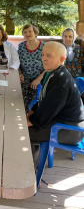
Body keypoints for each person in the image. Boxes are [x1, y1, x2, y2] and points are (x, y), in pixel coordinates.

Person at [27, 41, 84, 169]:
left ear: (62, 59)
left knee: (24, 132)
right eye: (42, 54)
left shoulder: (60, 80)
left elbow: (45, 113)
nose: (43, 58)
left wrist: (30, 120)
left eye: (49, 55)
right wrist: (32, 112)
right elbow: (45, 100)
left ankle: (30, 175)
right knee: (29, 128)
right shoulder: (53, 73)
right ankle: (33, 169)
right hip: (62, 122)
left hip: (71, 130)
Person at [18, 24, 45, 111]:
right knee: (20, 93)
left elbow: (49, 66)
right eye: (25, 32)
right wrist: (20, 73)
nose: (28, 34)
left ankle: (31, 117)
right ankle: (21, 114)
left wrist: (39, 79)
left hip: (40, 77)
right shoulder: (21, 46)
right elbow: (17, 62)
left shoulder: (44, 46)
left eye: (30, 31)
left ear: (36, 33)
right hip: (25, 76)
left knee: (34, 95)